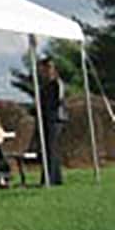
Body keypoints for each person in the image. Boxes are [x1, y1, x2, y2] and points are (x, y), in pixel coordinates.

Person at [38, 57, 67, 185]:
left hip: (55, 119)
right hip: (47, 118)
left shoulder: (56, 83)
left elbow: (58, 101)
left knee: (51, 148)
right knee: (48, 148)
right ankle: (53, 177)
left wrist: (48, 109)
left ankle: (51, 177)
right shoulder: (44, 84)